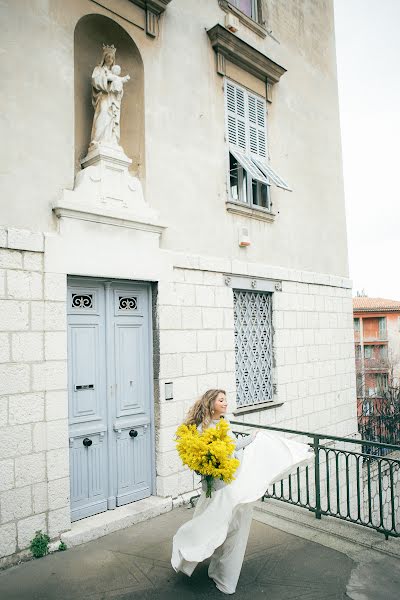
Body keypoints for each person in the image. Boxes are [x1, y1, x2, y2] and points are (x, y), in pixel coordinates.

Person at [171, 388, 314, 594]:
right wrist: (206, 466)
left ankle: (223, 575)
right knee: (207, 526)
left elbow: (233, 447)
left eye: (226, 400)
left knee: (235, 531)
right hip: (217, 488)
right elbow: (196, 458)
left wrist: (252, 439)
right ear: (211, 403)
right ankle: (187, 555)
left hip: (233, 482)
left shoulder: (223, 423)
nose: (226, 403)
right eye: (222, 400)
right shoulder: (198, 429)